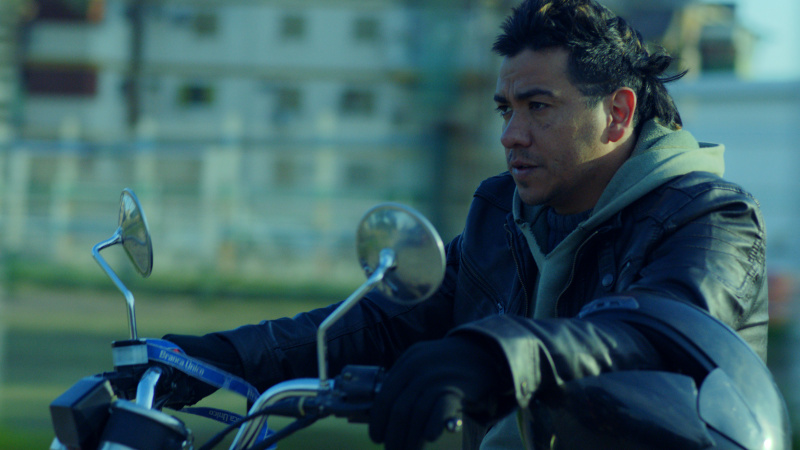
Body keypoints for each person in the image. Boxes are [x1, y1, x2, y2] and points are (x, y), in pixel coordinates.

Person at [163, 0, 789, 448]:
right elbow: (385, 320)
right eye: (505, 109)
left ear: (618, 114)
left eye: (538, 107)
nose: (511, 134)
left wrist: (493, 356)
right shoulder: (504, 215)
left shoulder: (711, 217)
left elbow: (662, 330)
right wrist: (208, 357)